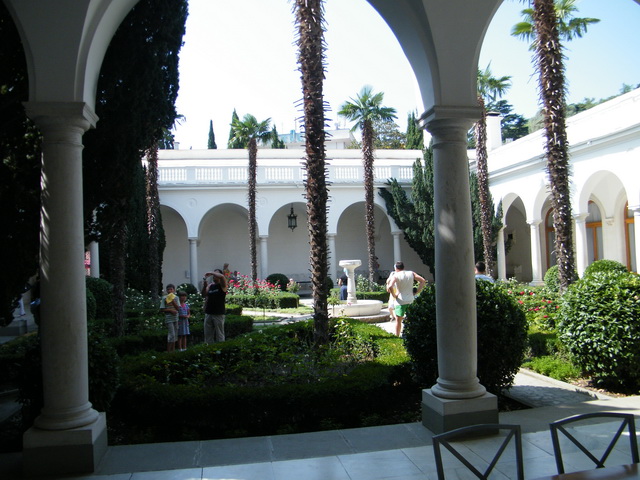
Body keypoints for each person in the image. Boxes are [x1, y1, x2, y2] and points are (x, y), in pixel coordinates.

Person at [386, 261, 426, 337]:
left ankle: (397, 336)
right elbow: (422, 281)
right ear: (403, 267)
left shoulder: (395, 275)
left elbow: (390, 286)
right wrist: (417, 291)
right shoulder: (411, 273)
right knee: (411, 319)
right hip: (410, 299)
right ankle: (412, 335)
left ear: (396, 268)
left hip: (400, 301)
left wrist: (394, 295)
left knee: (398, 320)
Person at [201, 269, 228, 344]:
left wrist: (211, 272)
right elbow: (204, 295)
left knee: (219, 334)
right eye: (213, 275)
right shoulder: (210, 286)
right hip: (209, 312)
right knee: (208, 334)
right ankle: (209, 348)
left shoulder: (222, 286)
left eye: (216, 274)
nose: (214, 276)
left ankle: (220, 348)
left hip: (218, 313)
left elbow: (222, 277)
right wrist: (204, 286)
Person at [160, 284, 180, 352]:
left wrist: (172, 300)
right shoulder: (164, 298)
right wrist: (170, 310)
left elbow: (178, 308)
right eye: (168, 289)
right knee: (171, 334)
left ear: (174, 290)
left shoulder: (176, 298)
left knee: (175, 335)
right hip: (169, 319)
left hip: (175, 318)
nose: (169, 291)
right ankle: (169, 351)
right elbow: (162, 309)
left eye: (171, 289)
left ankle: (173, 350)